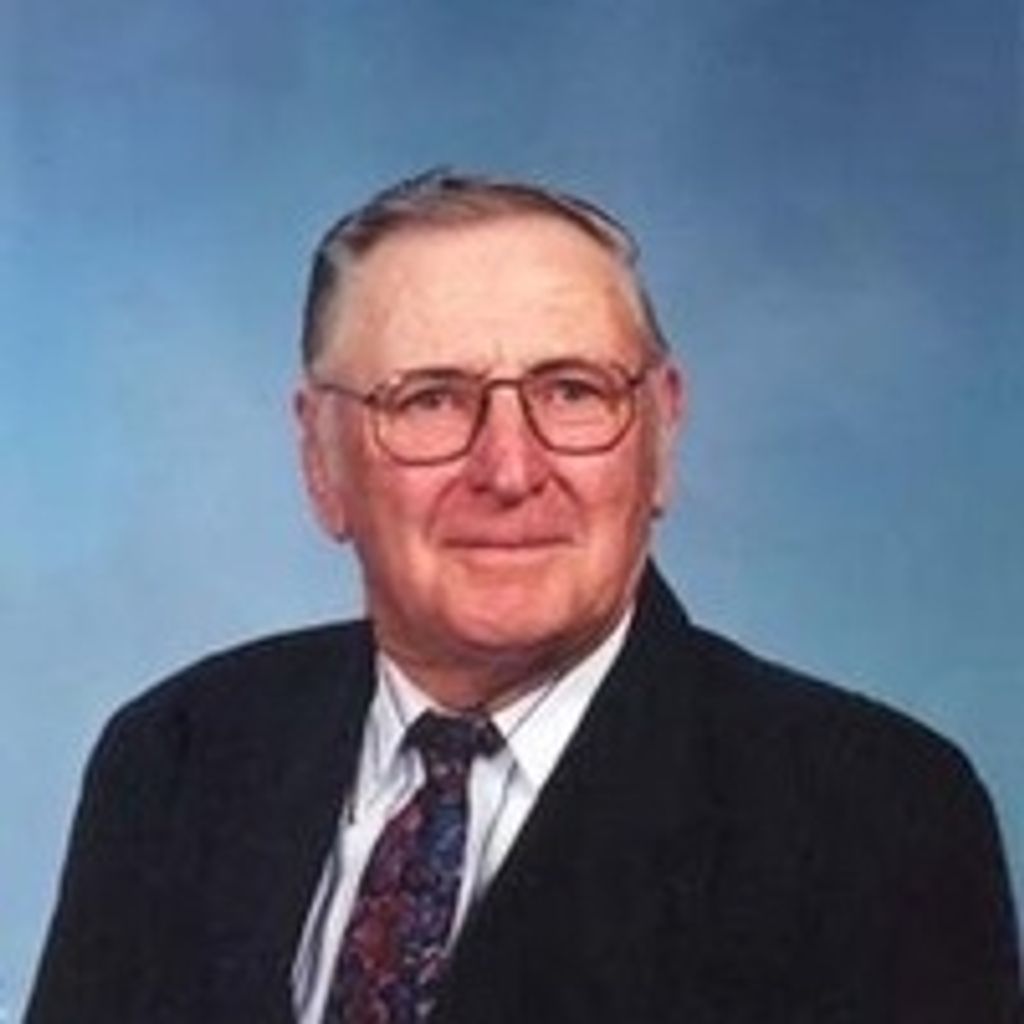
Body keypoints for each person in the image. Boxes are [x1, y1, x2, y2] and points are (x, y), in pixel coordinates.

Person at [27, 170, 1020, 1023]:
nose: (509, 469)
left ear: (660, 434)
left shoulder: (873, 820)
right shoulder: (177, 754)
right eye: (430, 399)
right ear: (320, 458)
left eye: (572, 391)